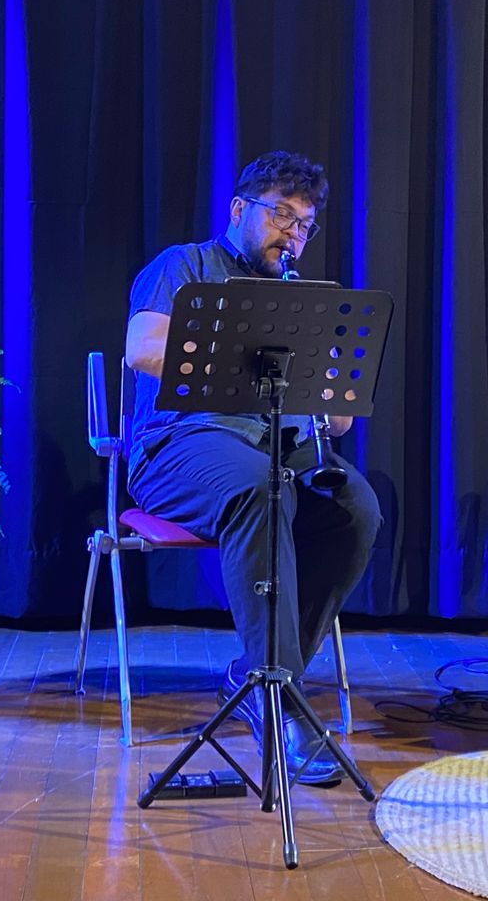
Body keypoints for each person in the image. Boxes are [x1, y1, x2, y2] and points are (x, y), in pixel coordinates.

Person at [124, 151, 379, 786]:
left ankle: (261, 674)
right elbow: (142, 349)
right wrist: (245, 354)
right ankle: (280, 704)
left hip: (279, 447)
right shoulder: (184, 265)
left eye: (304, 225)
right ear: (240, 209)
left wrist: (330, 386)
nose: (292, 235)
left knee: (356, 508)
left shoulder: (300, 298)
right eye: (281, 216)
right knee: (261, 491)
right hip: (182, 443)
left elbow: (338, 424)